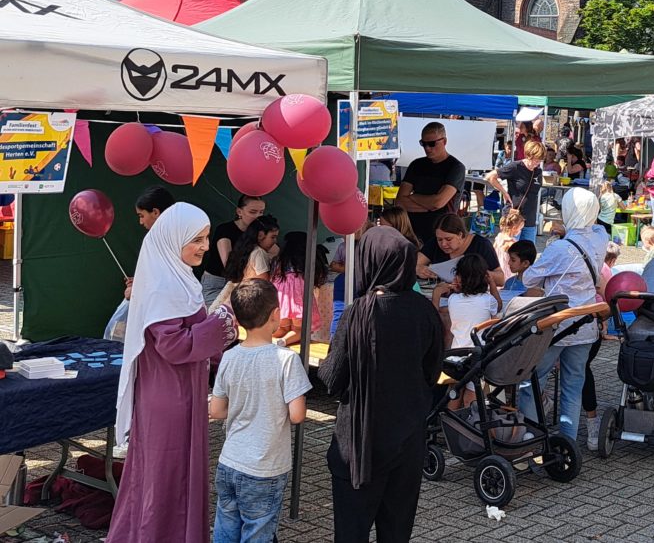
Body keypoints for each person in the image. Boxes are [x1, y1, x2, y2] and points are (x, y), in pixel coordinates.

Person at [109, 204, 238, 543]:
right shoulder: (162, 287)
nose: (205, 246)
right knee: (165, 480)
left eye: (207, 238)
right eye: (197, 239)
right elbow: (175, 346)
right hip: (168, 400)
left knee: (172, 477)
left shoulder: (176, 279)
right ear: (172, 240)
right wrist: (222, 321)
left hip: (182, 394)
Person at [319, 221, 443, 542]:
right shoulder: (425, 311)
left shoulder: (359, 313)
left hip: (361, 443)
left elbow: (332, 379)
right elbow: (432, 372)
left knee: (352, 531)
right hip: (409, 440)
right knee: (396, 531)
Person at [210, 279, 311, 543]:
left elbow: (217, 410)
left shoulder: (229, 356)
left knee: (225, 528)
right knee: (257, 532)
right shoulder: (286, 359)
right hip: (265, 467)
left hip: (230, 460)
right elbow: (298, 414)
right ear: (276, 314)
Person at [518, 188, 610, 447]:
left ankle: (530, 438)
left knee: (533, 380)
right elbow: (595, 229)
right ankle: (567, 442)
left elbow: (529, 278)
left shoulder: (559, 249)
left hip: (556, 325)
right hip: (585, 323)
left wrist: (558, 237)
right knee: (573, 384)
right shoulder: (601, 237)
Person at [397, 122, 466, 249]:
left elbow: (438, 202)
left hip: (442, 237)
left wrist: (413, 196)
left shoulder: (456, 167)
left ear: (444, 141)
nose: (427, 148)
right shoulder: (416, 165)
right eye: (423, 144)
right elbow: (400, 201)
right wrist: (430, 205)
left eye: (432, 144)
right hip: (413, 234)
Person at [581, 242, 622, 449]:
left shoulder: (601, 272)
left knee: (580, 370)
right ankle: (590, 422)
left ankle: (591, 421)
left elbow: (607, 305)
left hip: (586, 330)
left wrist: (599, 315)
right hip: (571, 329)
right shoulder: (598, 269)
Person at [202, 195, 267, 305]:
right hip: (217, 283)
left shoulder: (260, 232)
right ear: (239, 212)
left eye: (261, 212)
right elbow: (229, 266)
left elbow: (274, 249)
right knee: (218, 318)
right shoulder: (225, 230)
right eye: (253, 212)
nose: (258, 216)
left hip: (242, 283)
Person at [271, 230, 328, 347]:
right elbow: (319, 277)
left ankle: (271, 339)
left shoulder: (279, 260)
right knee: (300, 329)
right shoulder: (307, 261)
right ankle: (283, 342)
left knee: (283, 327)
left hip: (280, 299)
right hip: (299, 297)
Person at [433, 253, 502, 349]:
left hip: (457, 351)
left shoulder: (453, 299)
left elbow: (437, 313)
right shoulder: (488, 300)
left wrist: (436, 294)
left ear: (458, 277)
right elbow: (499, 306)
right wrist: (492, 283)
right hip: (480, 350)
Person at [213, 215, 281, 311]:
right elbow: (264, 285)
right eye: (273, 237)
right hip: (250, 305)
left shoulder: (246, 250)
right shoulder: (259, 253)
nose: (275, 241)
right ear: (261, 235)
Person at [416, 213, 503, 287]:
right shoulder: (433, 244)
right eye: (439, 239)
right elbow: (413, 263)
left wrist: (481, 274)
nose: (443, 244)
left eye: (449, 239)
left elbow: (501, 279)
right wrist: (418, 268)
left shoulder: (481, 245)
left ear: (460, 235)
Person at [485, 139, 544, 244]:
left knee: (527, 253)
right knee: (509, 250)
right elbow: (490, 177)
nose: (537, 163)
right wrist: (504, 192)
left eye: (539, 160)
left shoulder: (538, 171)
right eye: (535, 159)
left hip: (530, 219)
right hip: (514, 216)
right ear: (529, 155)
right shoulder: (515, 167)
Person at [492, 208, 526, 281]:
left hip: (497, 268)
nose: (520, 231)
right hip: (508, 270)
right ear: (514, 228)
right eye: (520, 229)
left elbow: (493, 251)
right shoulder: (512, 243)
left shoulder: (499, 236)